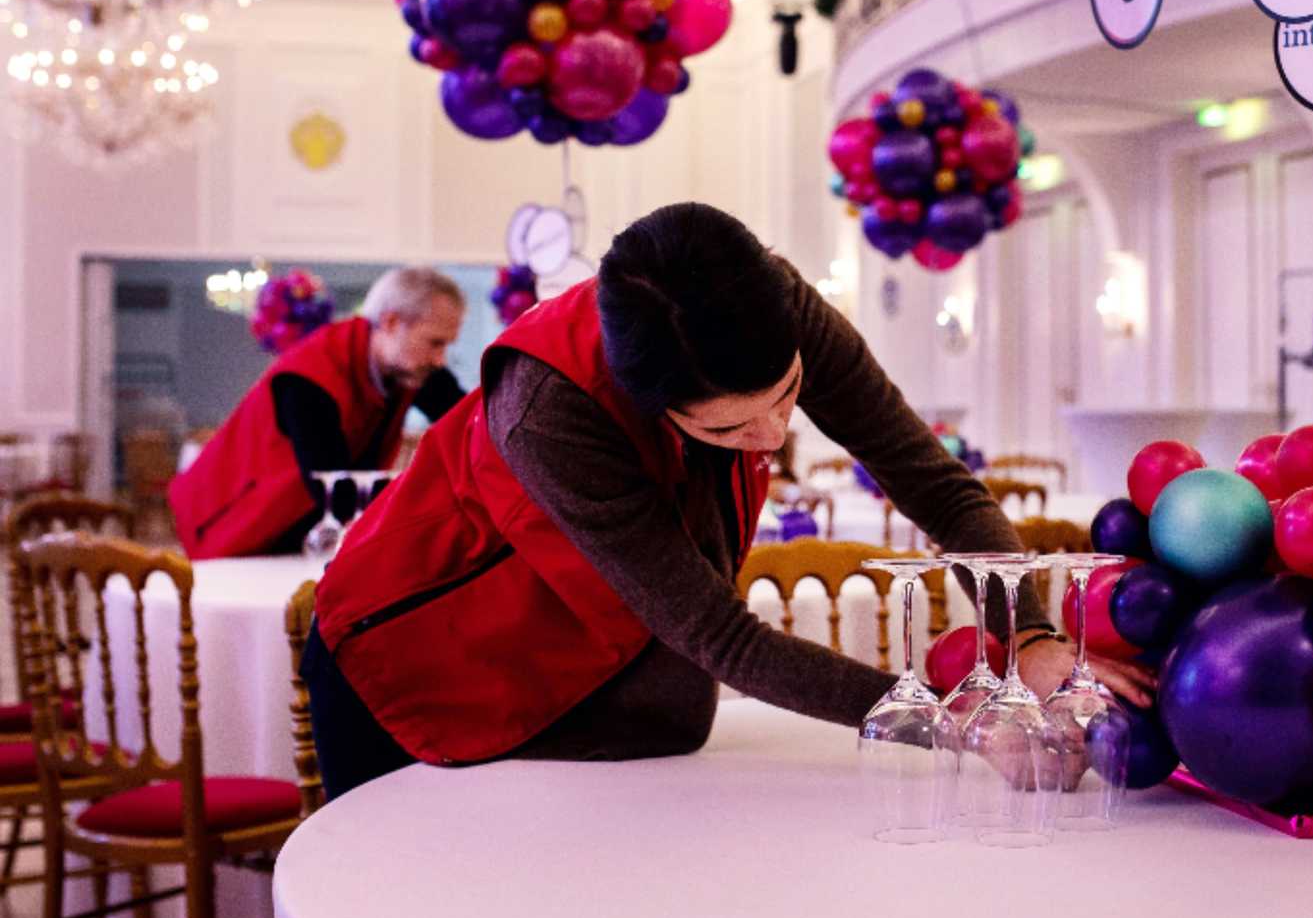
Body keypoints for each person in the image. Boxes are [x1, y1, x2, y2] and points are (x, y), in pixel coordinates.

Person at [304, 202, 1153, 798]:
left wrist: (1031, 633)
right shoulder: (548, 409)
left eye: (785, 397)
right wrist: (958, 721)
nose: (775, 435)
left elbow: (924, 475)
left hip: (588, 668)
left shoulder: (775, 305)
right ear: (653, 404)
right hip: (414, 652)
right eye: (734, 428)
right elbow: (718, 634)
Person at [168, 267, 467, 560]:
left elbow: (472, 421)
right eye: (435, 343)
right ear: (390, 322)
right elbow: (338, 491)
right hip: (227, 526)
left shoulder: (411, 367)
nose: (440, 360)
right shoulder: (311, 375)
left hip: (292, 531)